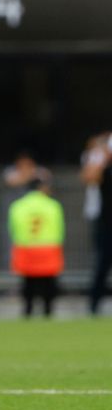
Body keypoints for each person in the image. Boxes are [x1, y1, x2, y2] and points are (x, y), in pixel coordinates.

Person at [8, 179, 64, 318]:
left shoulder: (17, 206)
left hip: (26, 248)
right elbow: (60, 228)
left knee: (28, 282)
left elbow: (13, 228)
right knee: (49, 282)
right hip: (48, 248)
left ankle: (28, 311)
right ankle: (48, 311)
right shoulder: (53, 205)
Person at [83, 132, 112, 315]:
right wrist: (102, 155)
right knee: (102, 264)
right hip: (107, 223)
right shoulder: (104, 166)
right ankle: (93, 306)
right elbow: (88, 178)